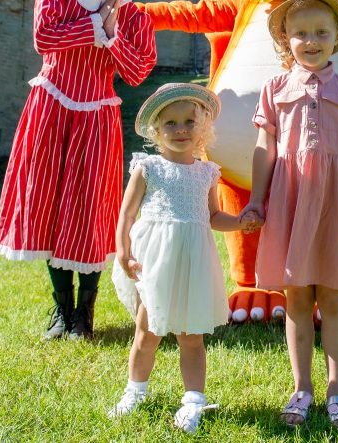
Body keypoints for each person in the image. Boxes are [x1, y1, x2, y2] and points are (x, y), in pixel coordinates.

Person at [0, 0, 157, 341]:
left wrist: (113, 33)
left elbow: (138, 71)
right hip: (50, 106)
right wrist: (94, 26)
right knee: (47, 203)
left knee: (88, 208)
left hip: (98, 112)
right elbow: (44, 38)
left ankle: (84, 314)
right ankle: (60, 311)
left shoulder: (133, 14)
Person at [240, 0, 338, 430]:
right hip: (289, 197)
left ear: (336, 37)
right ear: (286, 39)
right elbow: (264, 149)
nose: (311, 40)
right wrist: (256, 200)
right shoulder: (275, 88)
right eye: (301, 33)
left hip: (336, 200)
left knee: (335, 295)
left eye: (321, 31)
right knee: (297, 296)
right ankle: (301, 387)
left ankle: (337, 391)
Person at [109, 83, 259, 435]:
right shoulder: (149, 168)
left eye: (189, 122)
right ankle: (135, 391)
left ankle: (193, 400)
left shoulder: (206, 172)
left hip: (193, 260)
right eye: (170, 124)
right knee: (148, 331)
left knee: (191, 336)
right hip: (157, 261)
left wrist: (239, 222)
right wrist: (123, 252)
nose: (180, 130)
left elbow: (212, 216)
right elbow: (126, 215)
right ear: (156, 130)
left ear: (202, 126)